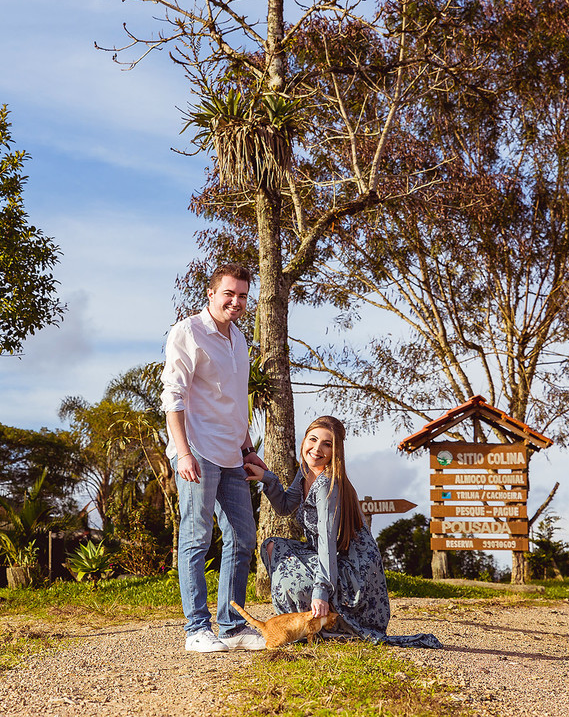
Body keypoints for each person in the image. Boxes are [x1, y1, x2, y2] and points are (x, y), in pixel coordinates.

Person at [246, 415, 440, 648]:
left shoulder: (328, 483)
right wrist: (267, 479)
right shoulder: (305, 471)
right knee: (273, 547)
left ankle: (315, 623)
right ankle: (296, 626)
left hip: (353, 570)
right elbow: (286, 506)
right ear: (304, 440)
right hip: (328, 556)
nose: (317, 449)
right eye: (313, 439)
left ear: (336, 451)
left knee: (292, 579)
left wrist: (321, 591)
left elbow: (328, 540)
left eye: (327, 444)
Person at [161, 263, 268, 653]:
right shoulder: (188, 331)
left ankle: (231, 625)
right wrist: (184, 452)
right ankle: (195, 630)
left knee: (242, 537)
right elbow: (172, 396)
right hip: (199, 452)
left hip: (232, 456)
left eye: (242, 295)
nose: (236, 301)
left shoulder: (240, 339)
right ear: (211, 294)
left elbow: (237, 403)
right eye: (229, 293)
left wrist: (248, 447)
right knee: (196, 538)